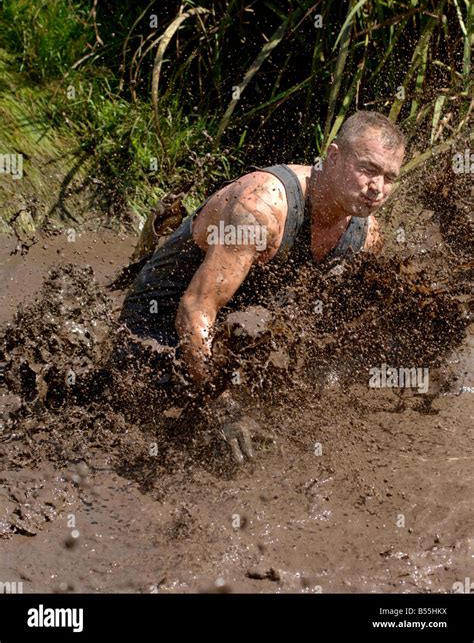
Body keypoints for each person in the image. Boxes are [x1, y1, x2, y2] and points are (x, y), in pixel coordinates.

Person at [119, 111, 405, 462]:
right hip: (159, 325)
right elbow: (195, 310)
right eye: (368, 169)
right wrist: (222, 408)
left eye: (389, 177)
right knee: (164, 435)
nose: (377, 188)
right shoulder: (262, 205)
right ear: (333, 157)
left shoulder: (366, 235)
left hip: (231, 328)